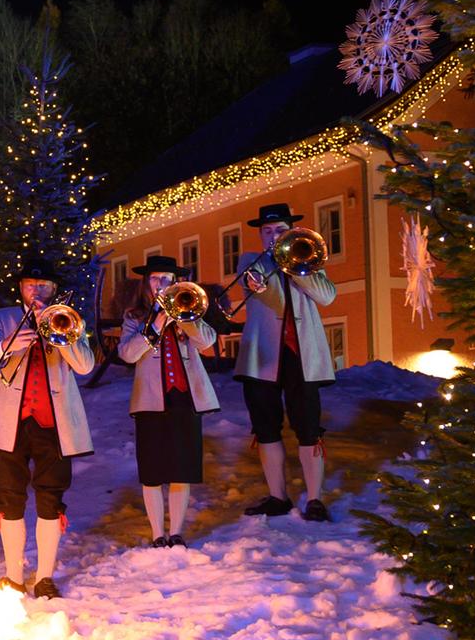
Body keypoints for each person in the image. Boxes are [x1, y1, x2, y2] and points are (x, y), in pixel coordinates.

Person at [0, 258, 97, 599]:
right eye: (31, 285)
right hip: (9, 425)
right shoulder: (2, 319)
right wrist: (7, 345)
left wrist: (61, 334)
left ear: (54, 290)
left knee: (51, 499)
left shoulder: (69, 320)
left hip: (54, 425)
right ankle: (14, 576)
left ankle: (45, 576)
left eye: (43, 287)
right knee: (9, 497)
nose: (37, 291)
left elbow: (85, 365)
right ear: (21, 288)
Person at [234, 203, 340, 521]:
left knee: (308, 426)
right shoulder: (250, 262)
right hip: (262, 357)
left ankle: (315, 499)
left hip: (302, 355)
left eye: (279, 230)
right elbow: (276, 303)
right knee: (266, 427)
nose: (272, 235)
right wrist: (267, 282)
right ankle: (278, 496)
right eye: (267, 231)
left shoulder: (307, 260)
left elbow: (327, 297)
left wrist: (296, 266)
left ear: (291, 231)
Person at [115, 256, 219, 548]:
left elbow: (207, 342)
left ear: (176, 283)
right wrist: (156, 325)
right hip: (150, 402)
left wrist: (187, 321)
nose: (160, 284)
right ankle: (157, 533)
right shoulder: (134, 317)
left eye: (166, 279)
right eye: (154, 278)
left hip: (184, 400)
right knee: (152, 470)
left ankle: (176, 532)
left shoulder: (188, 311)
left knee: (181, 468)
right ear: (145, 283)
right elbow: (127, 354)